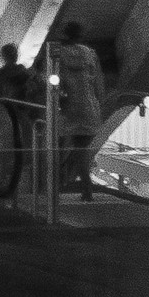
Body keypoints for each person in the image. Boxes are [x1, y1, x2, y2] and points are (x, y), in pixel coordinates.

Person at [53, 21, 105, 201]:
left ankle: (62, 185)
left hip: (69, 107)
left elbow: (55, 81)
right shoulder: (90, 54)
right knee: (82, 148)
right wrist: (100, 103)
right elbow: (98, 83)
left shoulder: (59, 54)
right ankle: (84, 186)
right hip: (89, 107)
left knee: (63, 147)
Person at [0, 47, 36, 205]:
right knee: (20, 159)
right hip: (21, 118)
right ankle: (15, 195)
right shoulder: (26, 75)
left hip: (6, 118)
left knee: (4, 157)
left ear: (3, 56)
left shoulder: (0, 76)